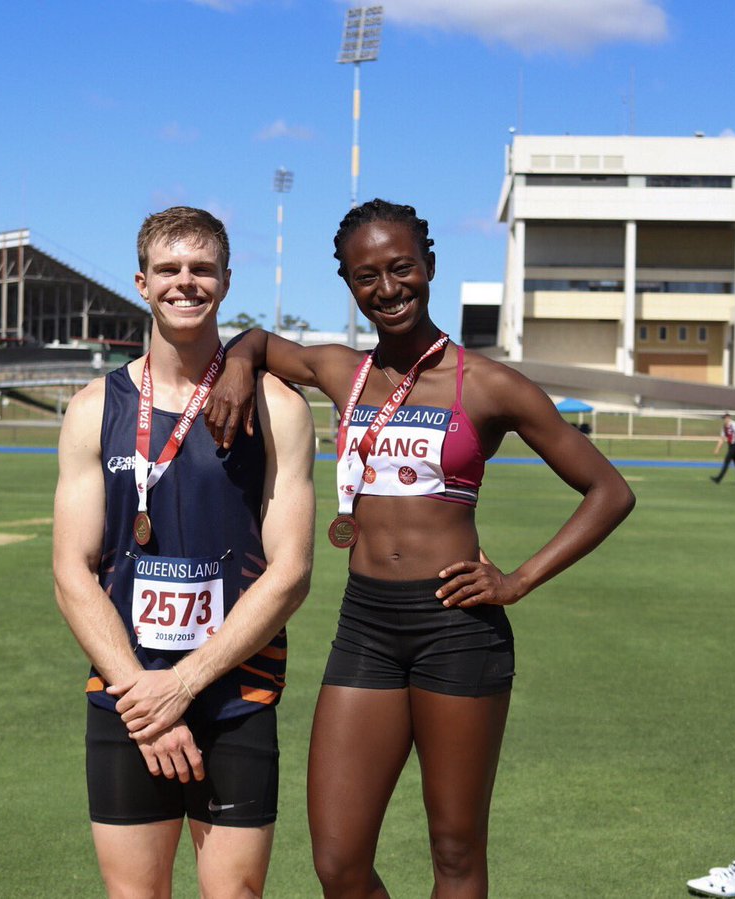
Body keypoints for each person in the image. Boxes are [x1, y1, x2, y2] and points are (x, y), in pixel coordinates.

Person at [204, 199, 635, 898]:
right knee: (338, 861)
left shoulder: (488, 384)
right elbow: (254, 340)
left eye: (401, 268)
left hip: (457, 627)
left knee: (456, 852)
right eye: (366, 275)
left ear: (428, 267)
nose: (387, 288)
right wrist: (236, 365)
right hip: (366, 625)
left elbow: (609, 491)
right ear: (349, 285)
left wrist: (518, 580)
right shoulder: (344, 372)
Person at [53, 206, 315, 897]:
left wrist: (185, 683)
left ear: (226, 281)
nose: (185, 282)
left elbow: (290, 574)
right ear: (142, 282)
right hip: (127, 693)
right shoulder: (91, 408)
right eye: (169, 269)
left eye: (201, 269)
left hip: (235, 694)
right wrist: (146, 693)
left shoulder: (277, 407)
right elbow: (70, 570)